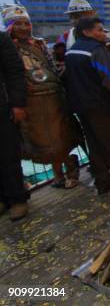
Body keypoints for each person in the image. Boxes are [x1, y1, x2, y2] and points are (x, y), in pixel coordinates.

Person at [4, 5, 80, 190]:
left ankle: (69, 167)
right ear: (9, 26)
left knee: (60, 136)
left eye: (26, 23)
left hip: (53, 99)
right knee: (40, 141)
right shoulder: (6, 47)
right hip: (29, 104)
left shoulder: (39, 44)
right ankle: (57, 175)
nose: (23, 27)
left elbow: (51, 67)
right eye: (18, 23)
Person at [64, 17, 110, 195]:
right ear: (87, 32)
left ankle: (102, 181)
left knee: (94, 144)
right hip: (103, 106)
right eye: (100, 30)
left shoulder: (71, 52)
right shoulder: (97, 50)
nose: (103, 33)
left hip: (83, 108)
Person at [0, 13, 29, 221]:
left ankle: (17, 199)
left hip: (3, 108)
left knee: (8, 155)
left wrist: (18, 104)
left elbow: (16, 72)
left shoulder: (2, 40)